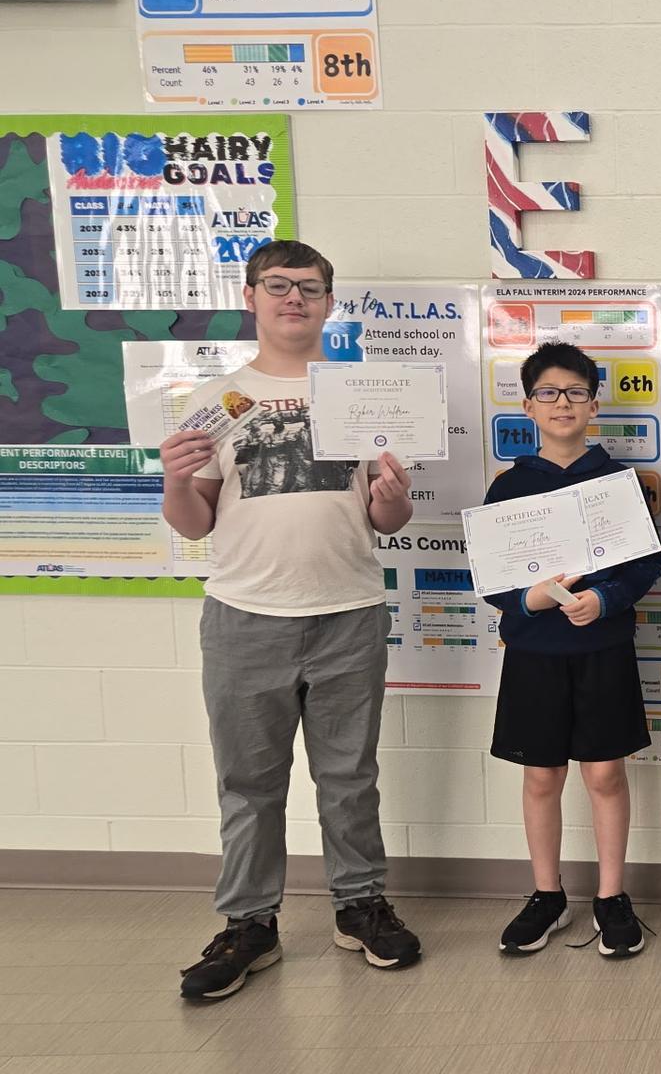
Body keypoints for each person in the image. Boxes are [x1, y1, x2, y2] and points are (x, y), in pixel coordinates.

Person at [160, 240, 422, 1001]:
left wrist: (395, 496)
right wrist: (174, 480)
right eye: (277, 286)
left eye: (308, 287)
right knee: (248, 783)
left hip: (349, 612)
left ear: (329, 303)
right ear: (250, 297)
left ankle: (359, 905)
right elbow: (195, 522)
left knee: (349, 777)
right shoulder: (216, 401)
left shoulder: (362, 394)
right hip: (245, 616)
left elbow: (387, 520)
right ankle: (249, 923)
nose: (293, 299)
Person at [481, 341, 661, 958]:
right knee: (541, 777)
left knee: (606, 774)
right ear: (528, 406)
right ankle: (547, 895)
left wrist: (605, 599)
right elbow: (492, 580)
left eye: (575, 393)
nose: (562, 403)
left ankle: (611, 897)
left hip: (602, 648)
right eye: (548, 393)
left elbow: (646, 564)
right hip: (534, 653)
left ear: (594, 404)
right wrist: (528, 599)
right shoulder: (509, 487)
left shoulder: (617, 482)